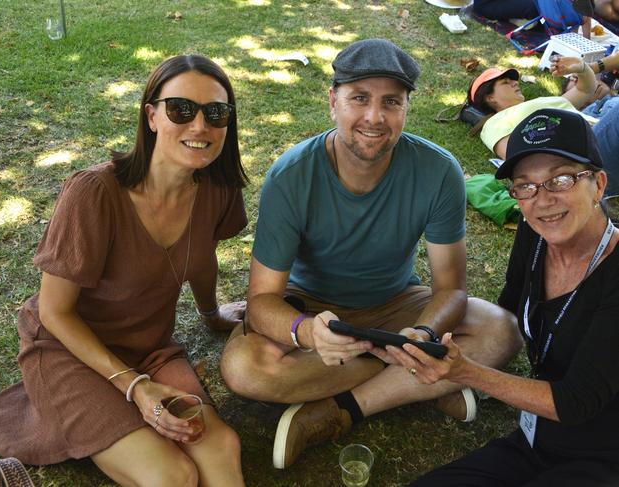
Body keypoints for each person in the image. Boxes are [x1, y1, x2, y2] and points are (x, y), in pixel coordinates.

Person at [220, 38, 521, 470]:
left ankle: (341, 407)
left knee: (502, 331)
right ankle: (423, 383)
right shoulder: (291, 175)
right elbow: (263, 302)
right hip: (315, 307)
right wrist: (307, 333)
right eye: (359, 98)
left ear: (405, 109)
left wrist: (422, 335)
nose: (374, 117)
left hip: (398, 306)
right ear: (333, 102)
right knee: (244, 370)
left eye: (391, 102)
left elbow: (451, 289)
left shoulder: (438, 170)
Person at [0, 54, 248, 487]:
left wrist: (211, 314)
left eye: (216, 113)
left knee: (221, 448)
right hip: (68, 350)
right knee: (172, 475)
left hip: (150, 347)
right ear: (152, 116)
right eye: (181, 109)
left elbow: (202, 256)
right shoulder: (94, 194)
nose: (200, 127)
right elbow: (55, 312)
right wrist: (136, 388)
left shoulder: (219, 188)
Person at [379, 108, 619, 486]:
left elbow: (575, 403)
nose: (542, 200)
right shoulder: (534, 235)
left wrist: (466, 373)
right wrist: (433, 344)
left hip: (605, 455)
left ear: (599, 184)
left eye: (561, 179)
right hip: (535, 437)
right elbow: (509, 304)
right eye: (525, 185)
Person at [467, 56, 619, 197]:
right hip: (586, 155)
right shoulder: (495, 122)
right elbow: (514, 154)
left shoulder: (544, 102)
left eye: (513, 81)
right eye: (505, 83)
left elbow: (585, 89)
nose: (515, 83)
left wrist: (582, 68)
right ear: (490, 97)